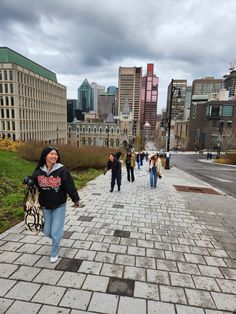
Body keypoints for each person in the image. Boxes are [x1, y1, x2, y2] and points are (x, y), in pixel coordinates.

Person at [24, 146, 80, 263]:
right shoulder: (39, 171)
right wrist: (28, 180)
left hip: (59, 205)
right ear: (45, 156)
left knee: (55, 231)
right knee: (46, 230)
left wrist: (75, 199)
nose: (55, 156)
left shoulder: (62, 170)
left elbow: (69, 185)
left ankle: (54, 251)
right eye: (52, 154)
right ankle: (57, 238)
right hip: (44, 205)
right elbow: (33, 182)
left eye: (56, 154)